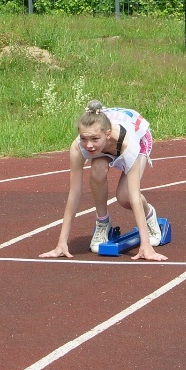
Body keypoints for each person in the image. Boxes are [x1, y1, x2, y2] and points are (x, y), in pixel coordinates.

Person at [40, 102, 166, 261]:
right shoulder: (79, 147)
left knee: (125, 196)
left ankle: (149, 215)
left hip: (137, 137)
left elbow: (134, 196)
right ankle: (103, 222)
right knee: (98, 169)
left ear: (107, 134)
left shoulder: (129, 144)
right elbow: (74, 193)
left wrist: (146, 246)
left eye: (94, 139)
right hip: (108, 143)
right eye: (84, 138)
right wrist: (61, 244)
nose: (89, 145)